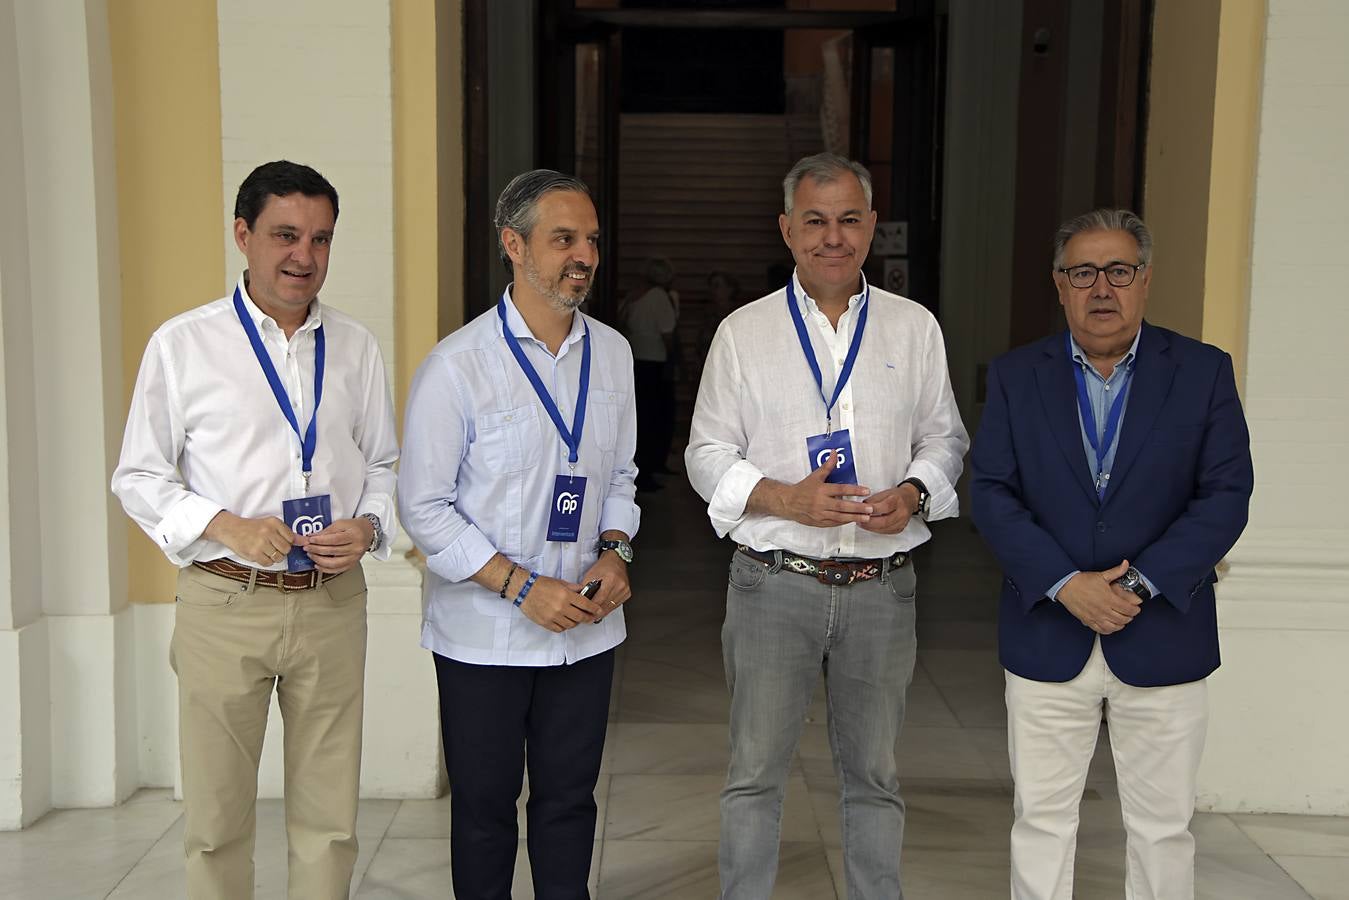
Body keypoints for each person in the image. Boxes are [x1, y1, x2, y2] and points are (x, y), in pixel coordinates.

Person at [112, 160, 398, 899]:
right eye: (285, 235)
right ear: (243, 236)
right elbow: (138, 477)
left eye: (321, 238)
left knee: (330, 820)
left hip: (334, 601)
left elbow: (388, 466)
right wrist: (227, 526)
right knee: (215, 820)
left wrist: (367, 527)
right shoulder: (184, 345)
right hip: (225, 602)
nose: (304, 255)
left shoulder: (357, 348)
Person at [686, 152, 968, 900]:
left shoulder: (913, 329)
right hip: (775, 583)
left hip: (882, 587)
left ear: (871, 227)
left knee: (873, 777)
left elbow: (946, 439)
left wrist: (912, 491)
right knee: (753, 777)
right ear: (786, 230)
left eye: (848, 220)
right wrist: (784, 499)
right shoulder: (744, 333)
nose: (832, 237)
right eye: (814, 221)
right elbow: (705, 453)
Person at [969, 209, 1254, 900]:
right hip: (1046, 632)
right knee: (1040, 820)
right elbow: (991, 493)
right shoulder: (1013, 376)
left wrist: (1137, 585)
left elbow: (1225, 494)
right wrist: (1066, 583)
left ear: (1145, 281)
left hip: (1162, 632)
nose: (1102, 288)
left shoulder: (1201, 372)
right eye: (1082, 272)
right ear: (1059, 285)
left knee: (1162, 827)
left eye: (1118, 271)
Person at [398, 170, 639, 899]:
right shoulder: (456, 366)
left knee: (569, 805)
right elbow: (424, 507)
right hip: (483, 635)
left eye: (590, 240)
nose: (584, 255)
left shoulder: (614, 354)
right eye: (563, 238)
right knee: (483, 814)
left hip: (586, 632)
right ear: (514, 244)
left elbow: (622, 475)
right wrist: (520, 586)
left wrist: (616, 551)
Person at [624, 256, 679, 490]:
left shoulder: (633, 295)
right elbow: (668, 333)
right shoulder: (658, 296)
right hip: (656, 361)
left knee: (643, 418)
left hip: (636, 361)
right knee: (656, 418)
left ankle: (646, 468)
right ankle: (647, 470)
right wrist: (674, 362)